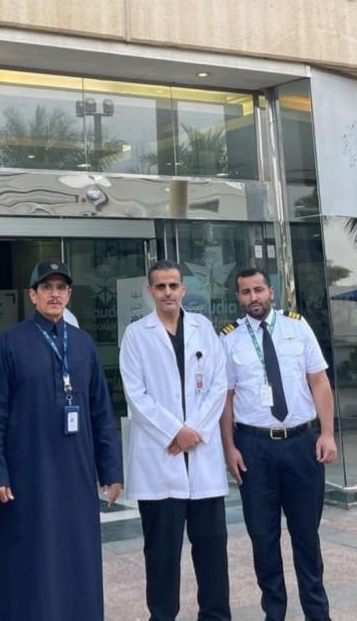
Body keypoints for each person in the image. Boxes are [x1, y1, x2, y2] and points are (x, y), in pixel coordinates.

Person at [0, 258, 123, 621]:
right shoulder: (12, 343)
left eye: (61, 288)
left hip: (76, 471)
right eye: (46, 287)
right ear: (32, 295)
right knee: (29, 556)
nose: (54, 294)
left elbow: (101, 410)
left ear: (69, 294)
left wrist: (111, 469)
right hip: (27, 473)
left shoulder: (82, 343)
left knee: (77, 553)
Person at [220, 268, 337, 621]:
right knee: (263, 537)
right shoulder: (229, 338)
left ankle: (317, 614)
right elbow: (225, 399)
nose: (253, 297)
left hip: (301, 444)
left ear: (271, 291)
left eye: (258, 290)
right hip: (254, 448)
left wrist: (327, 433)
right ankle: (274, 613)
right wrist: (229, 448)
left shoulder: (297, 327)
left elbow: (319, 382)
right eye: (245, 292)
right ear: (238, 297)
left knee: (306, 535)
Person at [120, 260, 231, 621]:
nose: (167, 292)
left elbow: (218, 384)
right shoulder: (136, 334)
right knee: (162, 554)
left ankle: (215, 615)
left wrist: (193, 431)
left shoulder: (204, 328)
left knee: (212, 549)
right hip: (161, 459)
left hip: (200, 456)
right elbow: (136, 394)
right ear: (150, 291)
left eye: (173, 285)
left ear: (183, 289)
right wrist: (175, 432)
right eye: (160, 286)